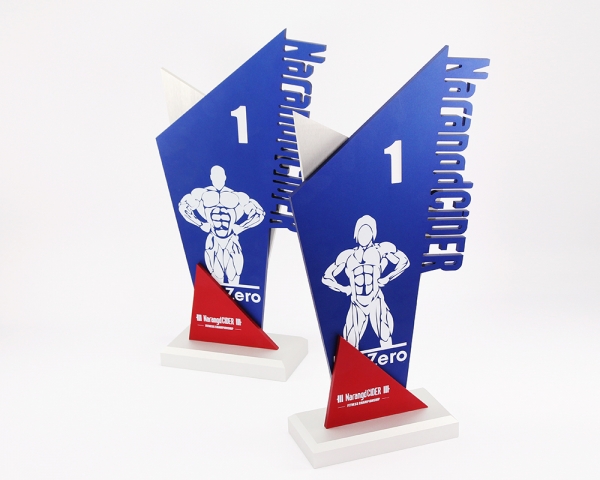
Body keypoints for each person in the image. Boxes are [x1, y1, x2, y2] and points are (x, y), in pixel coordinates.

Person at [322, 215, 409, 349]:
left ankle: (387, 360)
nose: (364, 235)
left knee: (385, 334)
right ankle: (350, 362)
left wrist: (388, 277)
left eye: (368, 231)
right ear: (356, 234)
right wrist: (343, 288)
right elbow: (326, 277)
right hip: (356, 302)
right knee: (350, 340)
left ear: (373, 233)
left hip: (376, 299)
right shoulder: (347, 255)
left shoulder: (381, 250)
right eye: (361, 231)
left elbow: (404, 261)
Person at [178, 165, 265, 284]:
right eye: (215, 176)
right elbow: (183, 207)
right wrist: (200, 224)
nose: (217, 178)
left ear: (225, 177)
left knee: (234, 279)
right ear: (211, 177)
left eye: (220, 176)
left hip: (231, 239)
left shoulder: (237, 197)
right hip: (213, 239)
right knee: (214, 279)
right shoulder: (201, 194)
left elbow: (259, 213)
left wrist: (242, 227)